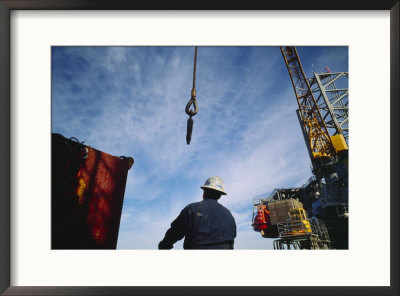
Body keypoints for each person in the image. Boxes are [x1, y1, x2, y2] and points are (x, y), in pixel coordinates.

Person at [158, 176, 236, 249]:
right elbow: (231, 241)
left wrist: (163, 246)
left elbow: (174, 233)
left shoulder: (191, 210)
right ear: (220, 195)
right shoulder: (229, 216)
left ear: (204, 192)